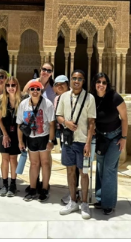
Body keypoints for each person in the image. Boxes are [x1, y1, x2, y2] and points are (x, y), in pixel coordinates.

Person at [56, 70, 96, 220]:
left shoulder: (89, 98)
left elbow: (92, 123)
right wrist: (66, 122)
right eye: (74, 78)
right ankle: (73, 201)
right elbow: (58, 116)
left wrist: (88, 143)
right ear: (70, 81)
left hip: (82, 142)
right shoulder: (64, 97)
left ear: (83, 81)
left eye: (79, 78)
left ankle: (84, 203)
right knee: (70, 171)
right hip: (68, 142)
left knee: (84, 172)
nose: (76, 81)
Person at [91, 72, 129, 215]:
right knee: (100, 168)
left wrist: (124, 138)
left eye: (104, 82)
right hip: (101, 138)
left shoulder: (115, 98)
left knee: (109, 169)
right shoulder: (92, 98)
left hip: (115, 138)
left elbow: (124, 118)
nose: (101, 85)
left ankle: (108, 203)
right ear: (94, 84)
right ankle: (101, 199)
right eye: (98, 82)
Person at [17, 81, 55, 202]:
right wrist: (20, 141)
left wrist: (50, 140)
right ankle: (33, 188)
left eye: (37, 89)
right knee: (34, 163)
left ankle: (44, 189)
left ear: (41, 91)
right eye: (32, 89)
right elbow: (19, 124)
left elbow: (52, 124)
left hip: (43, 136)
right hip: (31, 138)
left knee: (45, 163)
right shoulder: (23, 104)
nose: (35, 91)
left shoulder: (47, 104)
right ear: (28, 91)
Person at [53, 74, 80, 205]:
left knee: (76, 165)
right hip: (63, 134)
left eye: (62, 84)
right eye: (57, 85)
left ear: (67, 84)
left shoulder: (72, 98)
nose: (60, 86)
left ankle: (75, 191)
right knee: (70, 165)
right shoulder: (57, 99)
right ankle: (72, 191)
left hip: (74, 134)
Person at [0, 76, 22, 197]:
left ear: (17, 86)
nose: (10, 88)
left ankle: (13, 184)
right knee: (5, 159)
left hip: (16, 133)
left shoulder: (21, 100)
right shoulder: (1, 100)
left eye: (13, 85)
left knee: (13, 159)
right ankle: (5, 184)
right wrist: (5, 135)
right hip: (4, 132)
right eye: (8, 85)